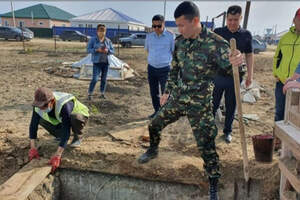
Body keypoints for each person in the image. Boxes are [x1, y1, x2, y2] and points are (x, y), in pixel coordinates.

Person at [137, 2, 244, 200]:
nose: (179, 29)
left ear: (195, 21)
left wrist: (239, 61)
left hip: (200, 103)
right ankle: (152, 150)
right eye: (177, 25)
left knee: (206, 145)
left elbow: (235, 72)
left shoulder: (216, 43)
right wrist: (167, 92)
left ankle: (213, 183)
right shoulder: (180, 42)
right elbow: (175, 69)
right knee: (154, 124)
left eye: (182, 25)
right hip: (178, 98)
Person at [212, 5, 254, 143]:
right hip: (218, 76)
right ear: (226, 19)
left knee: (231, 105)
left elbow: (249, 55)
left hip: (235, 78)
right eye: (230, 19)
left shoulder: (246, 35)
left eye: (235, 20)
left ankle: (227, 131)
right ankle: (209, 130)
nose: (232, 23)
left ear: (240, 18)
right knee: (212, 104)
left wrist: (250, 75)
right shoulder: (218, 32)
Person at [28, 87, 89, 172]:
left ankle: (77, 136)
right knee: (41, 119)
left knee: (75, 118)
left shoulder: (64, 104)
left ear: (52, 101)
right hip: (59, 118)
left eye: (44, 105)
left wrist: (58, 155)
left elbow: (66, 129)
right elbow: (33, 125)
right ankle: (58, 135)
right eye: (40, 106)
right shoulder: (38, 106)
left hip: (79, 116)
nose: (42, 108)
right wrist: (33, 148)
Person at [145, 14, 175, 118]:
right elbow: (148, 50)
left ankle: (165, 113)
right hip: (152, 68)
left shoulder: (170, 36)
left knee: (165, 92)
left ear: (164, 24)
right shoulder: (149, 36)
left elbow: (173, 52)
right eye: (154, 26)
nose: (156, 29)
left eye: (159, 26)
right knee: (154, 92)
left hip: (165, 69)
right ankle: (157, 111)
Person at [273, 8, 300, 121]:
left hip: (297, 85)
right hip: (282, 82)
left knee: (294, 116)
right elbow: (277, 57)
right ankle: (277, 138)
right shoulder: (285, 38)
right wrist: (277, 74)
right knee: (279, 112)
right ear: (294, 20)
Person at [87, 24, 115, 100]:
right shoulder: (93, 40)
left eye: (103, 31)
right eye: (100, 30)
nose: (102, 32)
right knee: (95, 79)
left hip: (106, 63)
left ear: (105, 32)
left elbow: (113, 51)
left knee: (104, 79)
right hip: (97, 62)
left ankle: (102, 93)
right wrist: (96, 50)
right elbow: (88, 49)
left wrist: (108, 51)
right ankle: (90, 93)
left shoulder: (108, 41)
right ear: (97, 31)